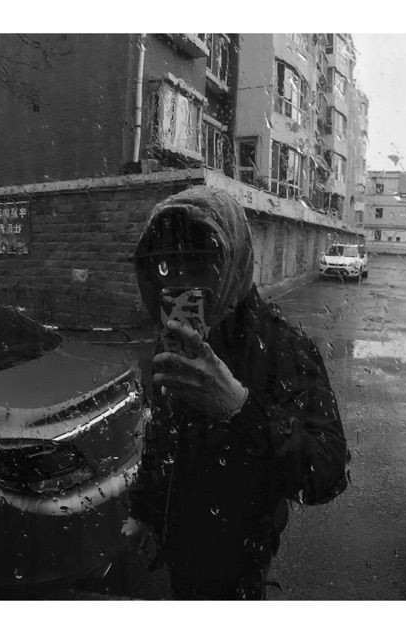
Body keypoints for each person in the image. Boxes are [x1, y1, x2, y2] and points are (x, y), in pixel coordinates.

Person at [123, 185, 348, 599]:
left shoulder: (283, 347)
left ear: (234, 260)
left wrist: (239, 407)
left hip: (241, 562)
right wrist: (144, 510)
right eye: (168, 265)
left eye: (199, 262)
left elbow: (327, 471)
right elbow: (164, 431)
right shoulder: (176, 339)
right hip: (178, 550)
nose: (182, 281)